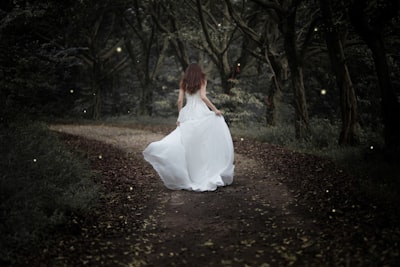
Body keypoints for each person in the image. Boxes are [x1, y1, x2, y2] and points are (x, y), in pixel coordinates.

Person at [143, 63, 234, 192]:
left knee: (187, 145)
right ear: (198, 71)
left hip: (188, 114)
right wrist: (215, 110)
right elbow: (202, 97)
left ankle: (190, 175)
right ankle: (205, 172)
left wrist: (180, 116)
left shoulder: (184, 81)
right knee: (203, 145)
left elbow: (180, 101)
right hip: (201, 113)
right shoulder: (202, 79)